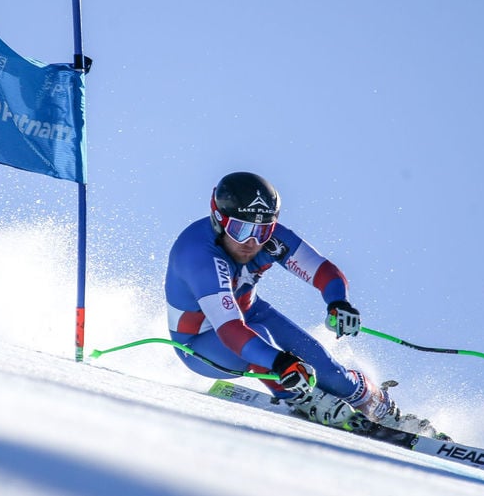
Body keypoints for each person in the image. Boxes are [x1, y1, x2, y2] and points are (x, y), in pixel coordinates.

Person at [164, 171, 433, 433]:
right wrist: (280, 363)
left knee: (331, 374)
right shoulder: (197, 256)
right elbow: (229, 329)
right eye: (240, 229)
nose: (251, 242)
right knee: (265, 342)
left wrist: (338, 302)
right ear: (218, 220)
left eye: (263, 230)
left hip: (251, 314)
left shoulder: (269, 240)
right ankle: (302, 398)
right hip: (201, 342)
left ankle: (384, 409)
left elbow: (323, 271)